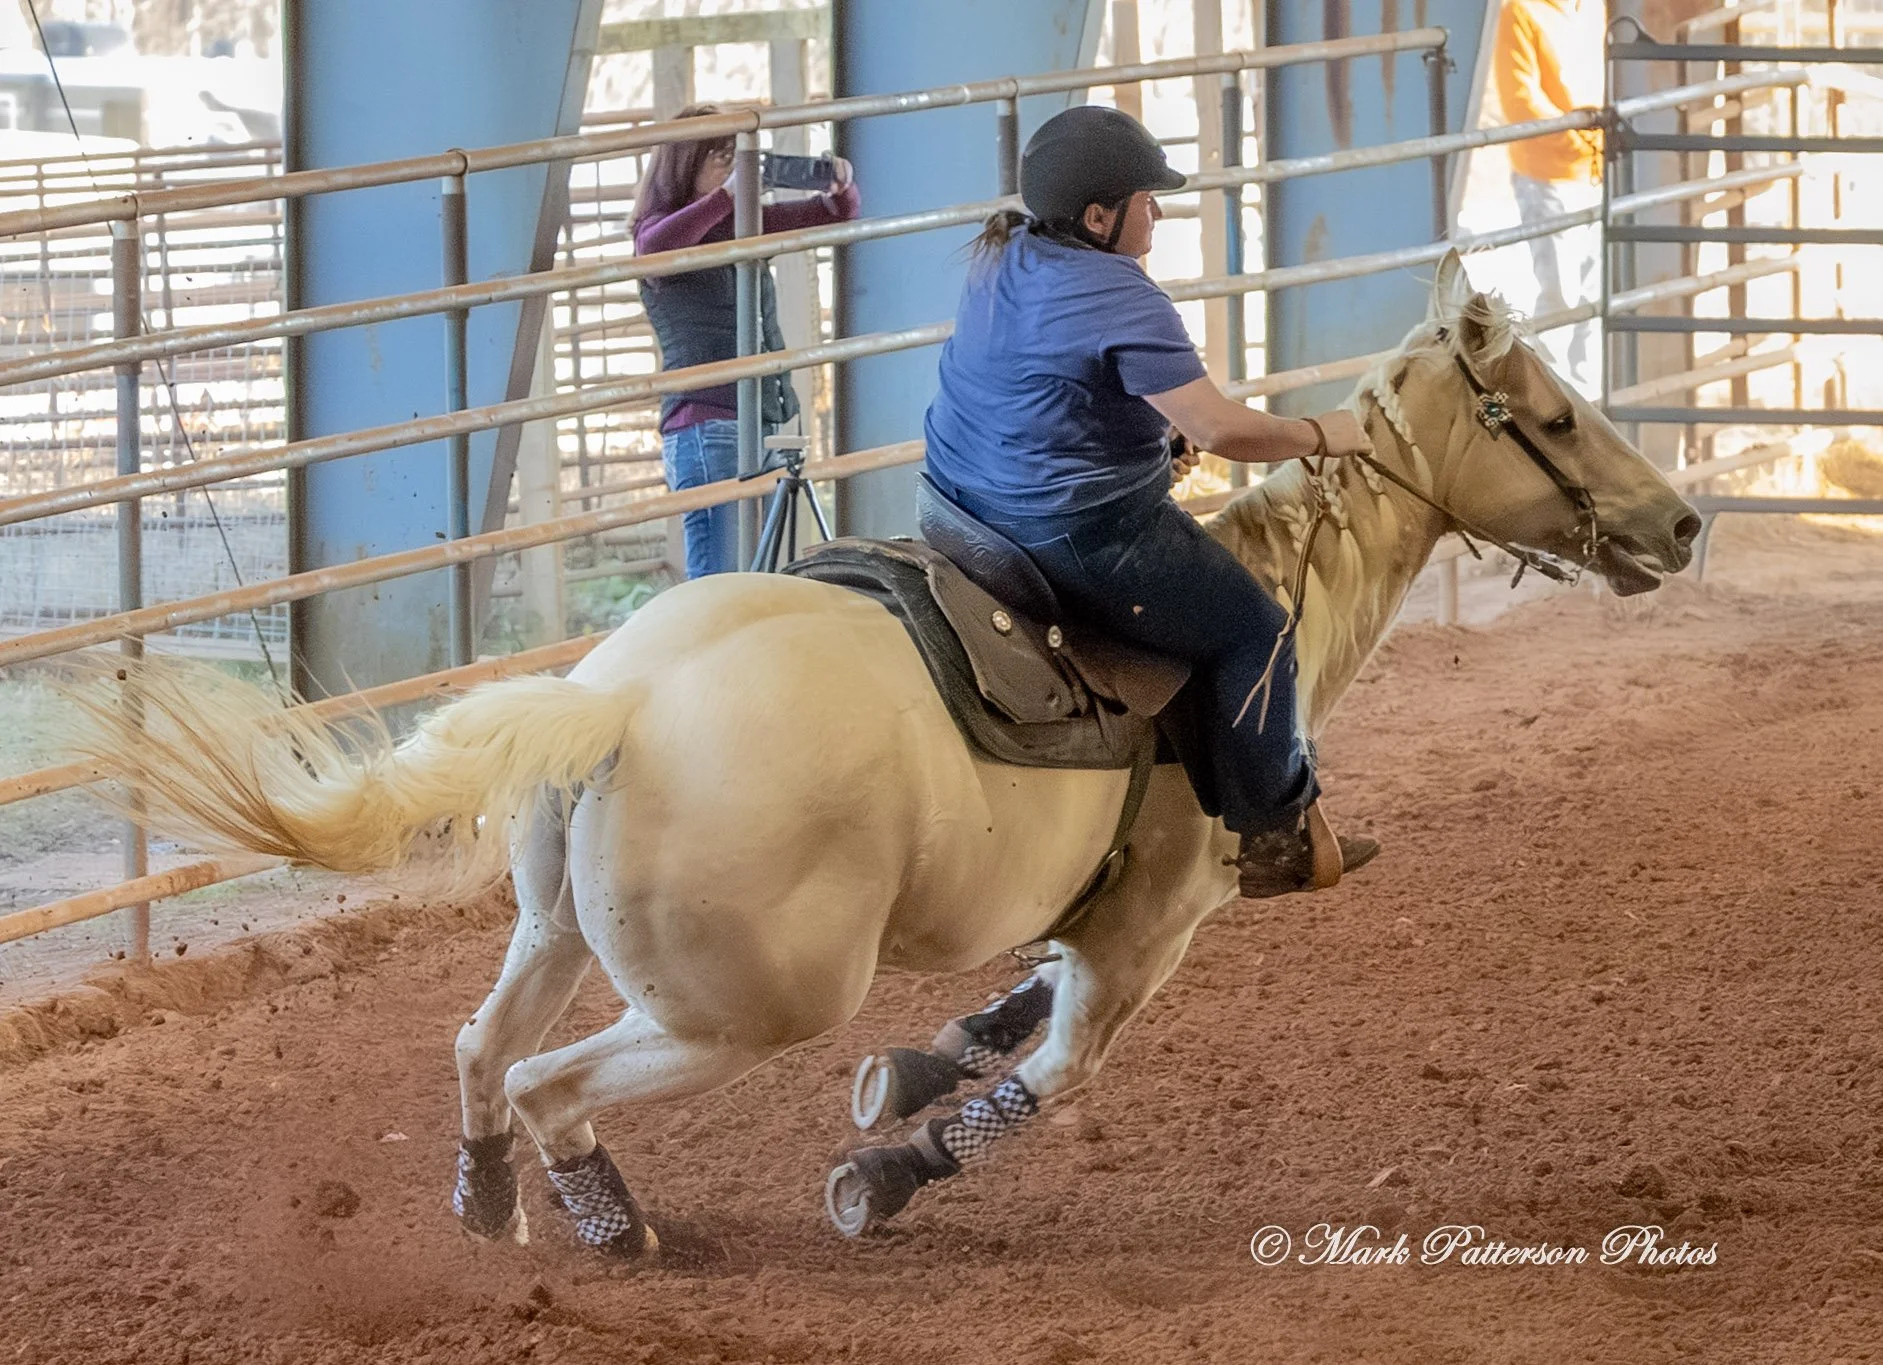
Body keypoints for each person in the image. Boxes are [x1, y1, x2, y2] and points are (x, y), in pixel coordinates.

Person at [922, 105, 1379, 900]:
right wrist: (1317, 433)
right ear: (1098, 217)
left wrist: (1147, 437)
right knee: (1257, 630)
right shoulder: (1119, 294)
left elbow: (1042, 384)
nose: (1158, 213)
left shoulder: (1003, 253)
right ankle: (1274, 830)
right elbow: (1219, 428)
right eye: (1146, 199)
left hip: (957, 507)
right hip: (1070, 531)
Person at [634, 106, 862, 577]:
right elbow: (654, 251)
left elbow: (836, 215)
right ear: (685, 163)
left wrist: (840, 184)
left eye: (737, 156)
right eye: (720, 156)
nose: (733, 167)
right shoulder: (661, 229)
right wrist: (728, 196)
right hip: (706, 422)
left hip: (753, 420)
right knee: (720, 585)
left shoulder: (742, 223)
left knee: (745, 584)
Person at [1495, 0, 1605, 396]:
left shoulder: (1593, 8)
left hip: (1598, 169)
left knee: (1595, 296)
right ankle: (1551, 399)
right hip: (1549, 176)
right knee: (1561, 294)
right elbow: (1520, 101)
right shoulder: (1520, 12)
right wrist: (1583, 139)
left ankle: (1587, 398)